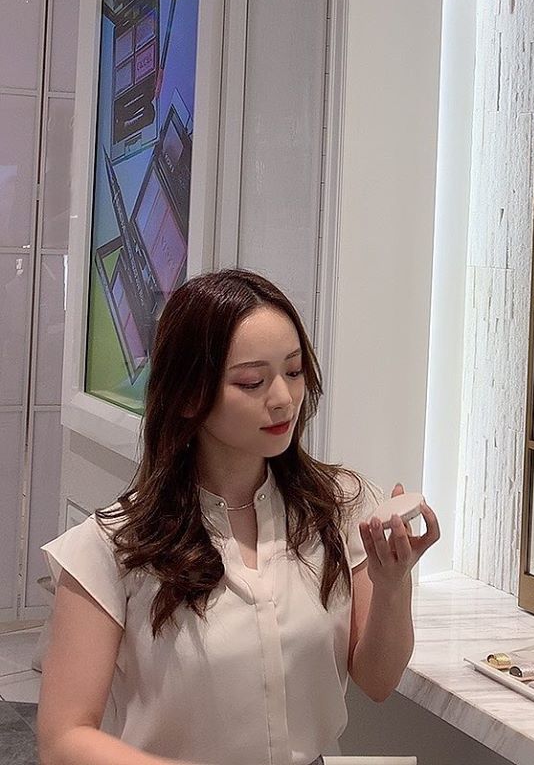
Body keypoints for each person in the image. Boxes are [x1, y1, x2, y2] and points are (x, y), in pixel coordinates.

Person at [37, 268, 440, 765]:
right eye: (252, 382)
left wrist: (393, 584)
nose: (283, 399)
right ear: (189, 395)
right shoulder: (111, 547)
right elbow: (63, 739)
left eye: (294, 372)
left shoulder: (340, 507)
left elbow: (378, 680)